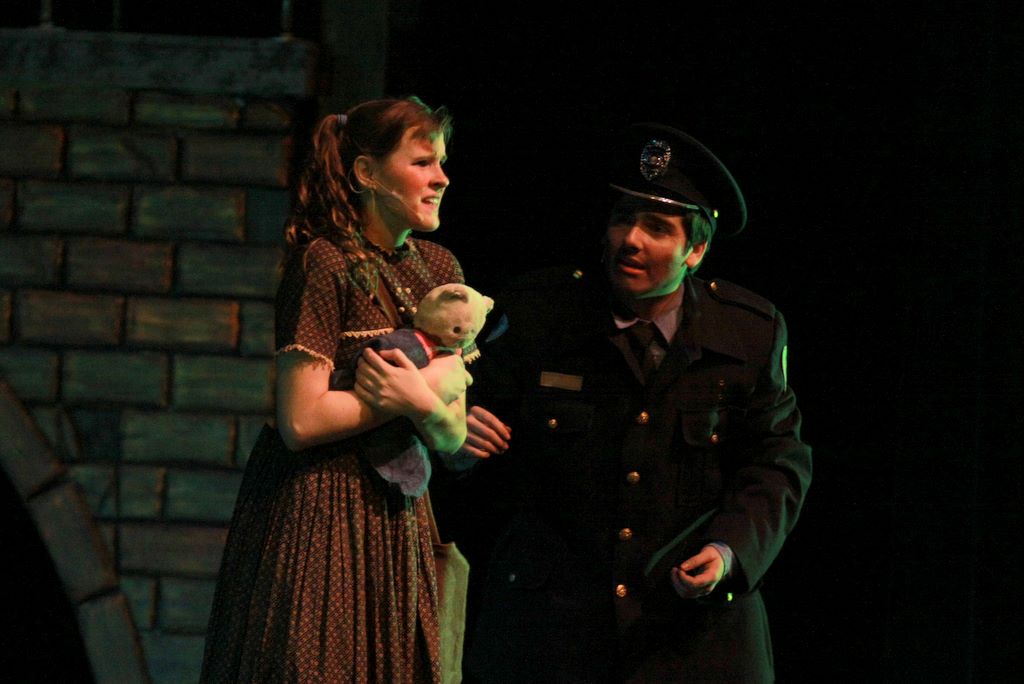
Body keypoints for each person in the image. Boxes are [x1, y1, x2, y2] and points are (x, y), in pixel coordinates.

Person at [447, 123, 813, 683]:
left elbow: (777, 462)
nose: (631, 240)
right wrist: (456, 431)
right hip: (553, 632)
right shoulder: (541, 314)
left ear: (695, 250)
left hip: (690, 635)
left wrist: (730, 550)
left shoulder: (746, 334)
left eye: (657, 228)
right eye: (623, 219)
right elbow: (461, 431)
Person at [201, 96, 472, 683]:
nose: (442, 178)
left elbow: (454, 435)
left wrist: (421, 401)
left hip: (397, 515)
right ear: (367, 173)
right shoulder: (325, 263)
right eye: (422, 162)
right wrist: (400, 397)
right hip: (320, 509)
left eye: (442, 162)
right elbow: (300, 421)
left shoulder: (440, 269)